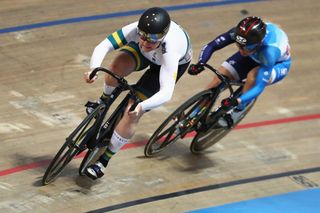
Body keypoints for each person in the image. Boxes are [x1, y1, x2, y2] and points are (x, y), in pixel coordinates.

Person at [83, 7, 192, 179]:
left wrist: (142, 106)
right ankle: (102, 102)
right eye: (142, 36)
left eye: (153, 39)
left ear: (162, 37)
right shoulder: (138, 32)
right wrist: (93, 69)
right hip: (145, 55)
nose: (146, 42)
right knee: (115, 67)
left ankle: (103, 161)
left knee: (132, 112)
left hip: (163, 65)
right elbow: (103, 45)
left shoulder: (171, 49)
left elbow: (166, 92)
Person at [188, 16, 291, 126]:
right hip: (254, 54)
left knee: (253, 77)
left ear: (259, 43)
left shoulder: (269, 53)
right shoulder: (240, 34)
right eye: (239, 46)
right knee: (218, 80)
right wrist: (201, 63)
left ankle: (238, 111)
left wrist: (237, 101)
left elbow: (259, 86)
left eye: (246, 48)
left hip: (277, 64)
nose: (241, 51)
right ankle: (193, 114)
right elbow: (212, 45)